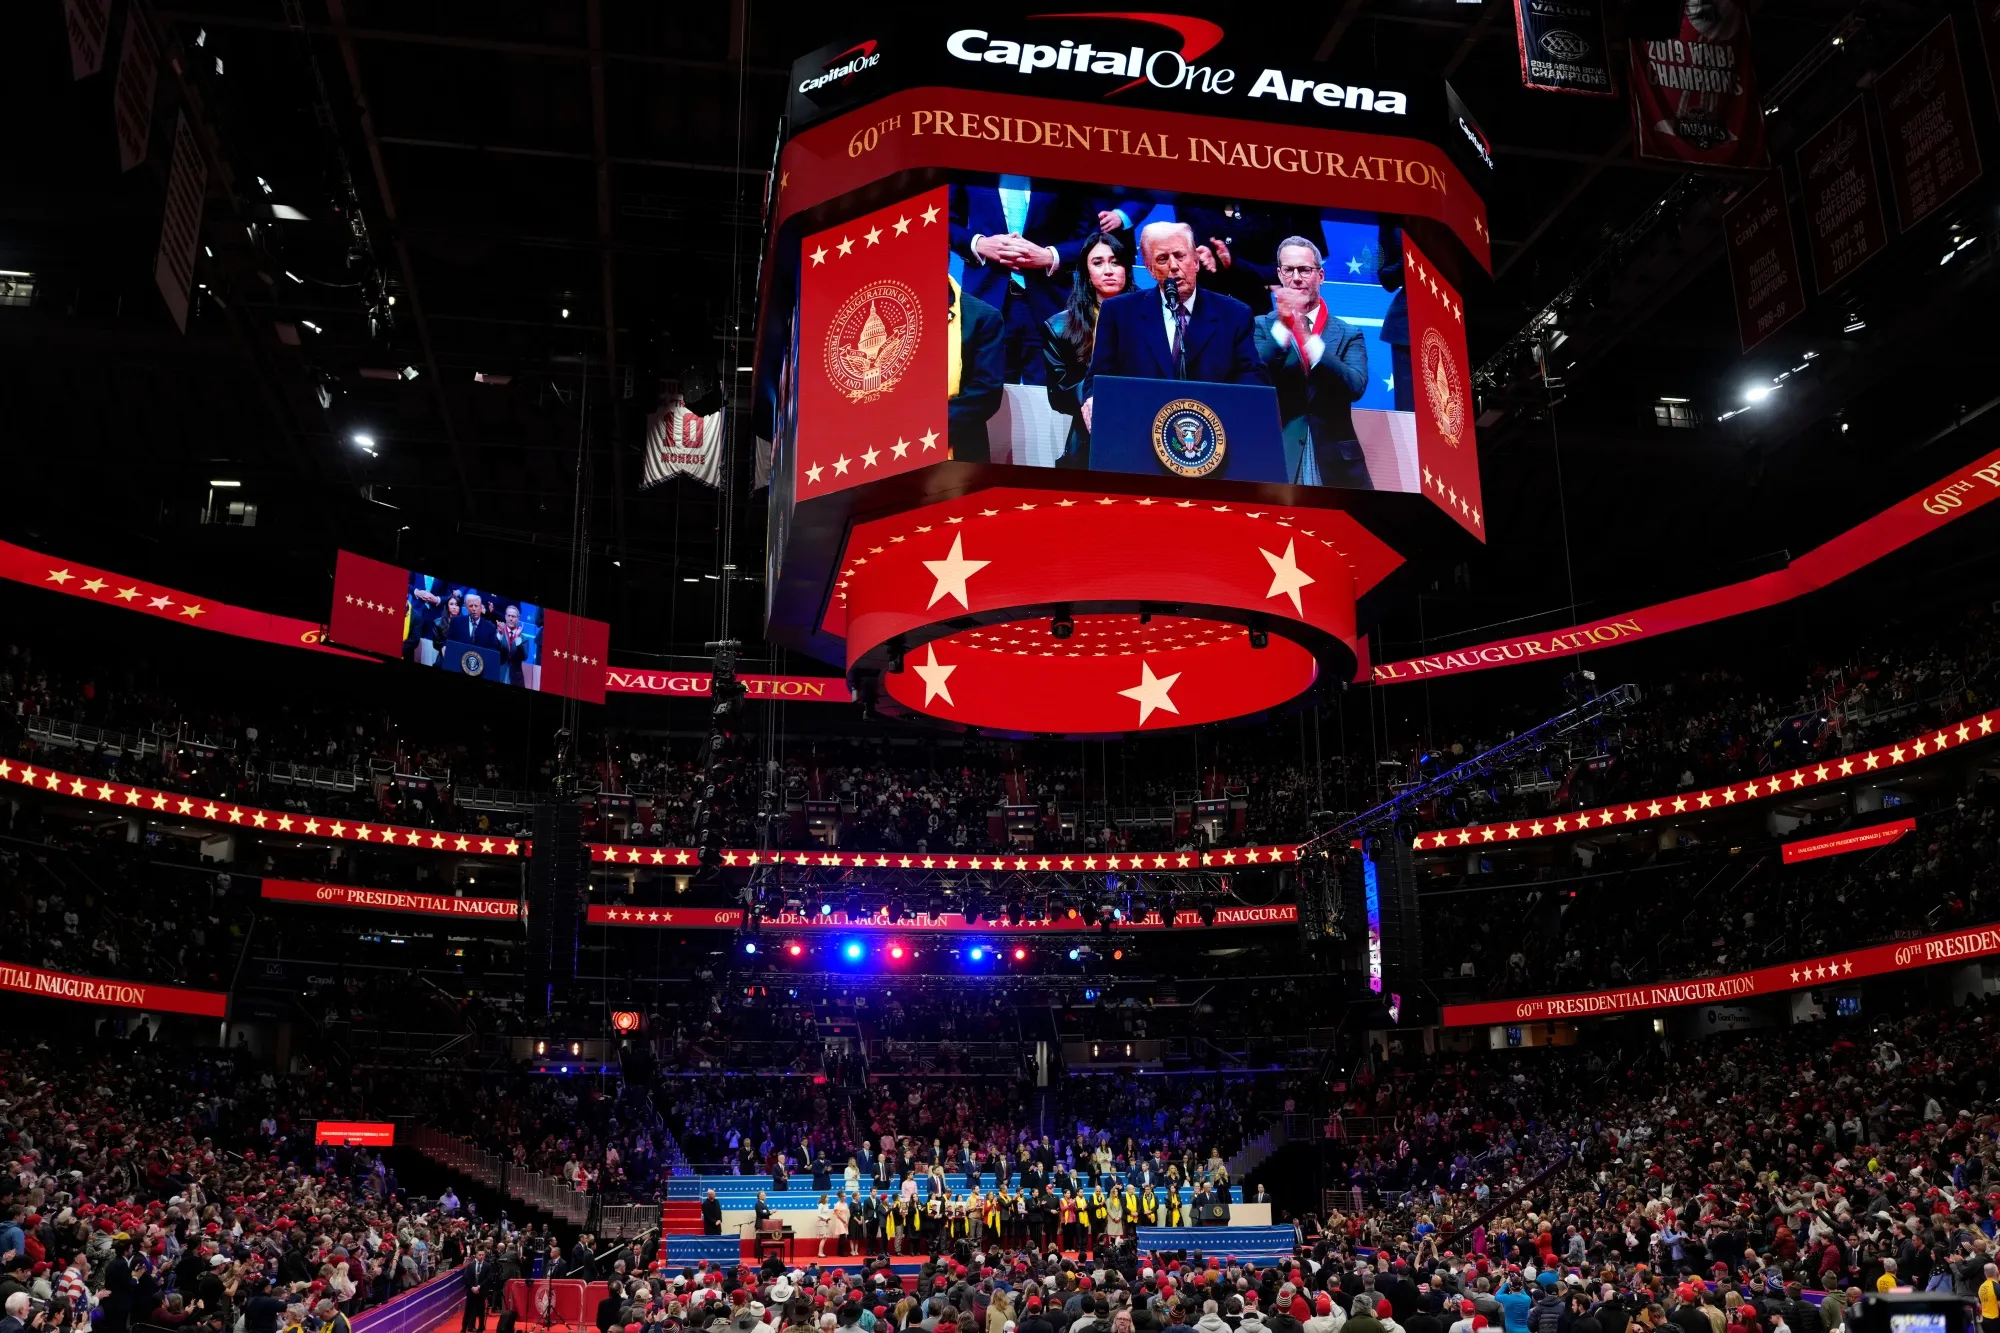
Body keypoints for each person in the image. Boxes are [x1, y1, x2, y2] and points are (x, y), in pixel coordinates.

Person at [1083, 221, 1265, 429]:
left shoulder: (1234, 314)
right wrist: (1094, 399)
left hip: (1213, 435)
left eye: (1180, 255)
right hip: (1138, 432)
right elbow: (1098, 380)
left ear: (1196, 262)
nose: (1173, 266)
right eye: (1162, 259)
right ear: (1150, 269)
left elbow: (1253, 377)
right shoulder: (1119, 313)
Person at [949, 181, 1097, 384]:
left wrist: (1050, 256)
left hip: (1048, 304)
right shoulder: (970, 166)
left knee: (1051, 400)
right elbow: (944, 221)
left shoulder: (1062, 167)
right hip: (985, 301)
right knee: (980, 394)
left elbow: (1091, 235)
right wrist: (979, 243)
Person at [1251, 234, 1369, 487]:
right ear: (1279, 274)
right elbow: (1255, 378)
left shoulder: (1349, 333)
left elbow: (1355, 386)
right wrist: (1284, 327)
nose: (1296, 278)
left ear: (1321, 275)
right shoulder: (1262, 326)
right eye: (1288, 270)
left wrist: (1310, 342)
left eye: (1304, 270)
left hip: (1336, 464)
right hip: (1279, 453)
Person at [1042, 232, 1133, 470]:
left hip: (1144, 429)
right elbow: (1060, 395)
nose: (1109, 270)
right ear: (1086, 272)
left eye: (1116, 262)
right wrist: (1102, 391)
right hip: (1089, 438)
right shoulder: (1059, 327)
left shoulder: (1155, 319)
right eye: (1098, 263)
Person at [948, 277, 1005, 462]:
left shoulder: (982, 317)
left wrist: (923, 431)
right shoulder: (883, 308)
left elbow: (986, 392)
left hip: (956, 447)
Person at [497, 606, 531, 687]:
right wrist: (500, 636)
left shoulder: (524, 638)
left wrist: (518, 638)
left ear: (518, 619)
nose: (510, 619)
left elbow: (524, 657)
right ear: (505, 617)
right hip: (499, 672)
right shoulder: (499, 633)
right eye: (508, 616)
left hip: (515, 677)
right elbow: (494, 650)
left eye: (513, 616)